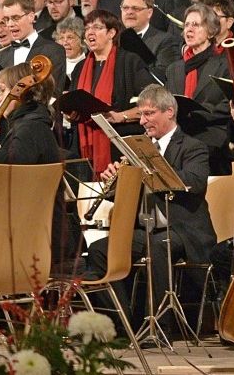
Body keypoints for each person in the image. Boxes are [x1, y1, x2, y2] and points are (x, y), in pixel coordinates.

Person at [86, 84, 214, 334]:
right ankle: (123, 327)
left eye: (149, 114)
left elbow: (196, 183)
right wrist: (115, 182)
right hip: (146, 229)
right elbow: (125, 197)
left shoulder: (192, 146)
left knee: (158, 245)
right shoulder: (139, 150)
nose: (143, 121)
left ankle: (158, 327)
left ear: (169, 112)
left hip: (182, 230)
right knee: (100, 250)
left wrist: (151, 168)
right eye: (141, 115)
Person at [0, 64, 81, 266]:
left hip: (35, 244)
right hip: (38, 237)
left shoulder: (29, 129)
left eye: (3, 90)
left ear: (21, 92)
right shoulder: (32, 126)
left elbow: (3, 168)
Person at [67, 10, 154, 178]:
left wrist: (121, 116)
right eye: (87, 28)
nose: (90, 32)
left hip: (119, 146)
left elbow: (153, 103)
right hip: (85, 147)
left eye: (97, 27)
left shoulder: (129, 61)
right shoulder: (80, 67)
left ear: (112, 33)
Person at [165, 3, 232, 175]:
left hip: (211, 142)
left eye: (196, 25)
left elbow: (229, 104)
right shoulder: (174, 68)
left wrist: (198, 114)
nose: (189, 29)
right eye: (187, 25)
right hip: (179, 141)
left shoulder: (225, 65)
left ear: (210, 31)